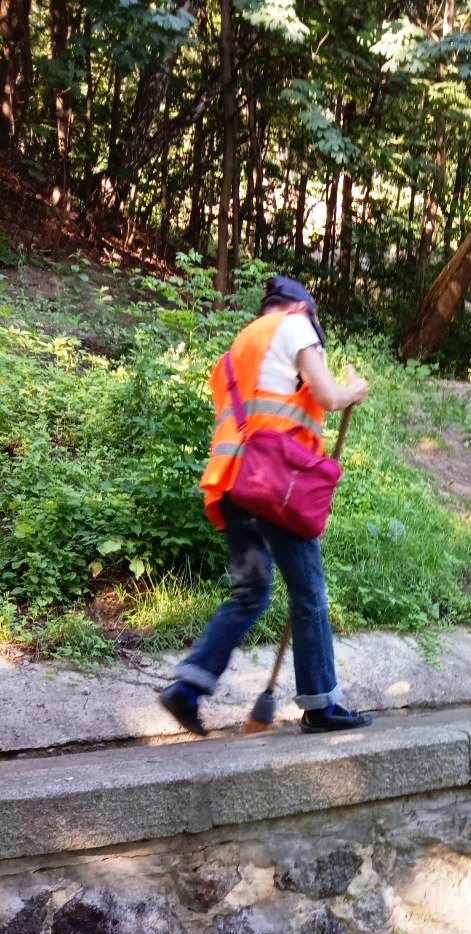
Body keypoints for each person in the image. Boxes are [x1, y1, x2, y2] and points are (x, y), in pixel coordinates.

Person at [159, 276, 370, 735]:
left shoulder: (237, 351)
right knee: (308, 593)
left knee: (251, 592)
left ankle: (187, 687)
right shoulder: (295, 325)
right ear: (301, 307)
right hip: (278, 484)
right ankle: (321, 705)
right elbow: (328, 397)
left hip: (233, 483)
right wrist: (354, 388)